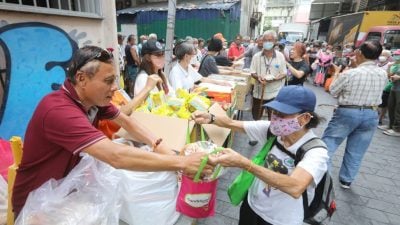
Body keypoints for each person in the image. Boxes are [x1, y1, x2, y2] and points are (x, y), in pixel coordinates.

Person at [12, 46, 209, 217]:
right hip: (37, 205)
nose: (115, 88)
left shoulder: (92, 100)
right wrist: (181, 162)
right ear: (81, 79)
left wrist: (162, 148)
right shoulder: (59, 110)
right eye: (108, 81)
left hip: (67, 190)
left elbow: (129, 123)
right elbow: (115, 156)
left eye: (115, 79)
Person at [191, 85, 328, 225]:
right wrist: (211, 118)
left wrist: (244, 163)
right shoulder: (273, 131)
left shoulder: (316, 152)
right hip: (252, 206)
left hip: (279, 220)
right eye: (274, 111)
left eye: (282, 114)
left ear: (304, 118)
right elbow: (233, 123)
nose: (275, 118)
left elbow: (296, 187)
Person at [322, 40, 387, 189]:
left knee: (329, 143)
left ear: (359, 54)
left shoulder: (351, 73)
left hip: (348, 111)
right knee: (357, 149)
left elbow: (333, 90)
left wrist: (338, 73)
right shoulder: (382, 73)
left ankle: (323, 176)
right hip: (371, 113)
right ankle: (346, 180)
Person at [250, 30, 287, 120]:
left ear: (275, 41)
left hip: (275, 93)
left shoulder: (280, 56)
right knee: (256, 118)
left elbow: (284, 73)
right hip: (259, 93)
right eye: (265, 40)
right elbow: (252, 72)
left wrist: (274, 79)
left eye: (270, 40)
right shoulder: (256, 56)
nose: (267, 42)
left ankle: (271, 134)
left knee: (273, 120)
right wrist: (258, 77)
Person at [381, 49, 400, 136]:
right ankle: (390, 125)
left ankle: (397, 129)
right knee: (391, 107)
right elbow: (390, 75)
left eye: (398, 54)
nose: (396, 56)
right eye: (395, 54)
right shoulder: (396, 64)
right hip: (394, 87)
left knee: (398, 109)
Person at [377, 50, 392, 125]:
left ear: (388, 57)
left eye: (385, 55)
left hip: (385, 87)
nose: (382, 56)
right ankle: (376, 115)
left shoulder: (390, 65)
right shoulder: (376, 64)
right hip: (375, 86)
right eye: (382, 54)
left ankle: (380, 118)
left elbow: (390, 76)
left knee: (384, 104)